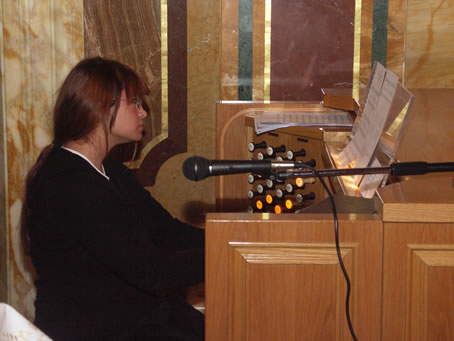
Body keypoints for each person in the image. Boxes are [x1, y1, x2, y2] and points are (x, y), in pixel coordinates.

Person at [20, 57, 205, 340]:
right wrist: (225, 255)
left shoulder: (110, 170)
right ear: (101, 107)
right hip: (92, 329)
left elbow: (166, 231)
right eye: (135, 103)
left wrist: (231, 238)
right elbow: (152, 271)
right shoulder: (68, 181)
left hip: (127, 318)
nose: (143, 112)